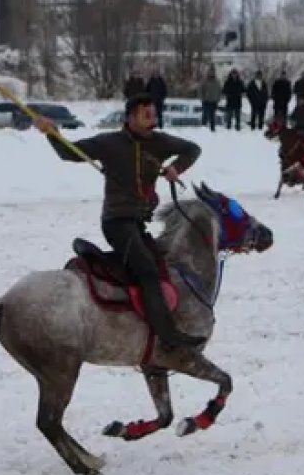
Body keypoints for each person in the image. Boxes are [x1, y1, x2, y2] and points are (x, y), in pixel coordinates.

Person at [33, 93, 206, 351]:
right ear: (131, 117)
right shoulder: (110, 143)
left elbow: (193, 149)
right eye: (146, 115)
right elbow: (69, 152)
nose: (153, 120)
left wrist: (175, 168)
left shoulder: (160, 142)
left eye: (154, 115)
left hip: (138, 223)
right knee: (147, 270)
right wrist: (52, 132)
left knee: (161, 265)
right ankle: (167, 337)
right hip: (116, 222)